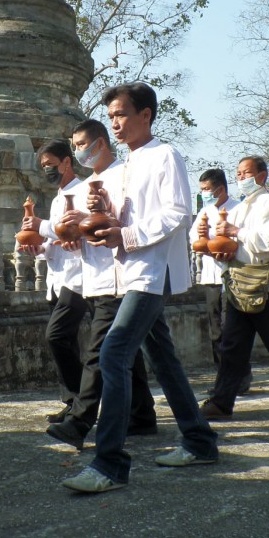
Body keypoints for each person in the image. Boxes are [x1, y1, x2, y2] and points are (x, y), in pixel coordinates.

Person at [61, 82, 217, 494]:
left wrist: (124, 237)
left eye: (121, 114)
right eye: (111, 116)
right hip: (131, 271)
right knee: (162, 358)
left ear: (145, 115)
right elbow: (123, 218)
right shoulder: (127, 164)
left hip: (152, 270)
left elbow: (178, 214)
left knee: (113, 353)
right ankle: (199, 440)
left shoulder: (165, 155)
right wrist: (100, 225)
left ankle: (110, 463)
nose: (115, 123)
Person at [44, 119, 158, 450]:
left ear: (101, 144)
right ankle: (143, 415)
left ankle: (80, 421)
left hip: (123, 275)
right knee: (129, 350)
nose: (79, 151)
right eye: (75, 145)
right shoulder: (90, 183)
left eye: (82, 145)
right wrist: (73, 235)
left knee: (100, 351)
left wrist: (86, 222)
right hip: (97, 277)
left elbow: (127, 224)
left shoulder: (125, 176)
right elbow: (87, 231)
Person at [199, 156, 269, 421]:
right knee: (232, 345)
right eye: (238, 174)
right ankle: (222, 401)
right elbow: (230, 244)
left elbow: (268, 245)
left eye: (246, 173)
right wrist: (221, 251)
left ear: (262, 175)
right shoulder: (239, 208)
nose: (242, 178)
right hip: (237, 281)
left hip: (264, 285)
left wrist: (235, 232)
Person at [19, 139, 89, 423]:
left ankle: (84, 399)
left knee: (56, 335)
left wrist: (41, 227)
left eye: (50, 164)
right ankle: (71, 401)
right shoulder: (59, 197)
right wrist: (40, 247)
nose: (47, 170)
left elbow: (78, 231)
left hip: (79, 277)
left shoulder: (83, 191)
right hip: (57, 277)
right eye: (43, 166)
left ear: (67, 162)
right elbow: (57, 241)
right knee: (65, 341)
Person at [189, 168, 248, 394]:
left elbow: (243, 238)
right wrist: (203, 237)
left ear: (220, 189)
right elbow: (194, 239)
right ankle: (222, 377)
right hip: (211, 277)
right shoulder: (205, 211)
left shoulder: (238, 209)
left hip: (234, 276)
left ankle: (241, 375)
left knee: (231, 329)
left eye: (207, 189)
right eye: (202, 190)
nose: (204, 193)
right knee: (215, 330)